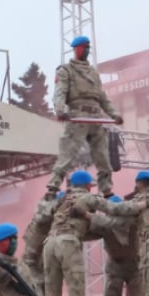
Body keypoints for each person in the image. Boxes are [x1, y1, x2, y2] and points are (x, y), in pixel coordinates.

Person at [44, 170, 131, 296]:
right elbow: (113, 210)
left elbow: (45, 215)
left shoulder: (61, 200)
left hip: (49, 244)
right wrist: (140, 205)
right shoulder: (88, 198)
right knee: (77, 294)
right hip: (68, 242)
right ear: (88, 186)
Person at [47, 35, 121, 198]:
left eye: (88, 48)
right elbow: (60, 92)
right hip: (77, 116)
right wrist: (59, 110)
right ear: (76, 49)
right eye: (84, 48)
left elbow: (102, 97)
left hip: (95, 117)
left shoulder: (93, 73)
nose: (86, 50)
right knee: (67, 154)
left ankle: (106, 189)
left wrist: (114, 114)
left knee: (103, 157)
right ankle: (53, 187)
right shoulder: (66, 70)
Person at [87, 198, 142, 296]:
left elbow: (93, 227)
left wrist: (88, 215)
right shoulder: (132, 219)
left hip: (120, 266)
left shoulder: (106, 223)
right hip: (128, 265)